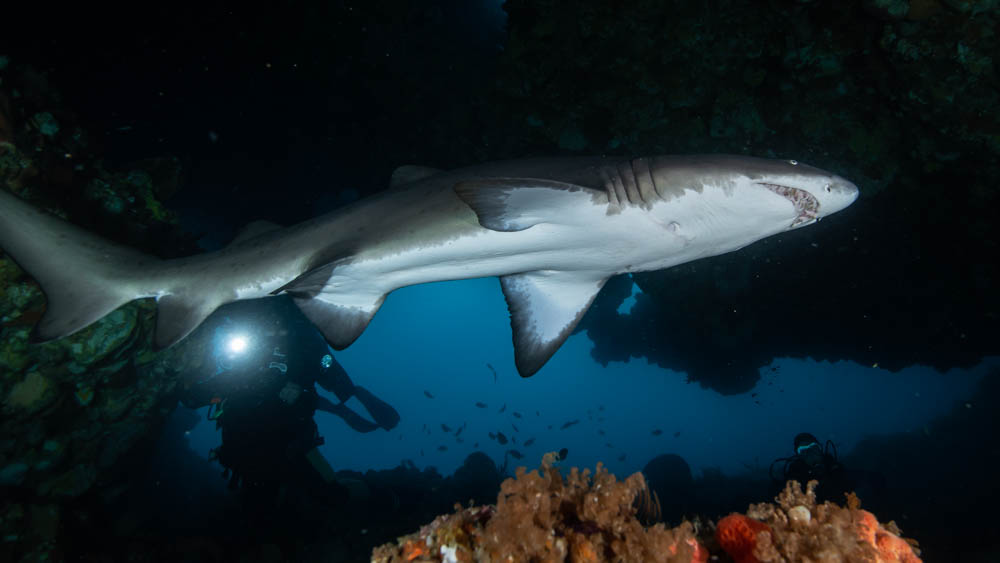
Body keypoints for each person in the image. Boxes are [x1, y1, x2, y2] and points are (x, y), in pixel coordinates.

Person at [180, 296, 399, 517]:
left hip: (291, 445)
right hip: (245, 446)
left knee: (332, 495)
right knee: (256, 509)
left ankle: (382, 496)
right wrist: (187, 385)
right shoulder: (245, 342)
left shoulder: (302, 338)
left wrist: (304, 392)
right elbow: (208, 390)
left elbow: (337, 382)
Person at [769, 432, 849, 502]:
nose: (811, 454)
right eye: (803, 451)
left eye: (814, 448)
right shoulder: (795, 474)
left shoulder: (833, 466)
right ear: (799, 456)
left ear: (820, 448)